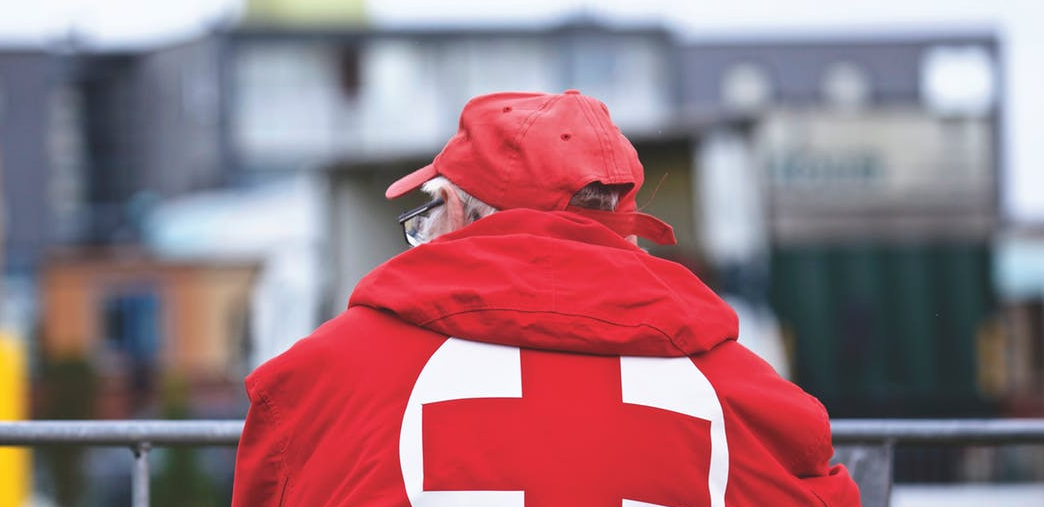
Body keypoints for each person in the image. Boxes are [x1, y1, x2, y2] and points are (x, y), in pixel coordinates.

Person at [230, 90, 861, 507]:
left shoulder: (324, 379)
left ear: (452, 210)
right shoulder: (741, 392)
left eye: (424, 215)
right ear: (622, 217)